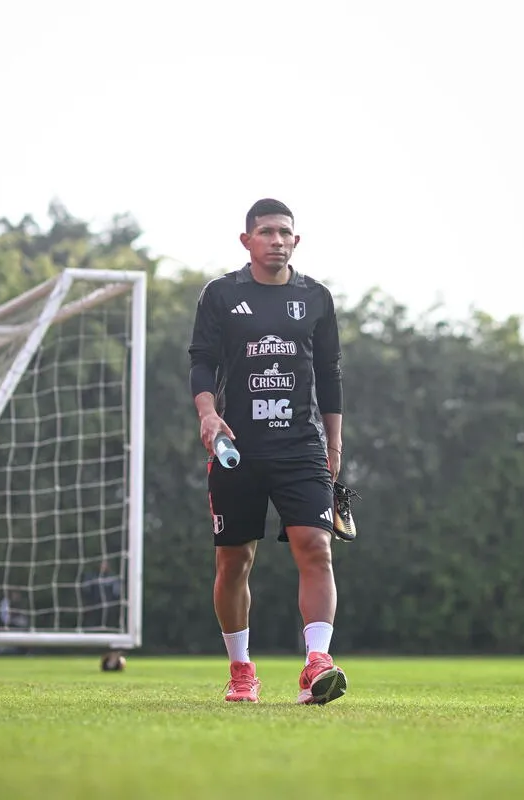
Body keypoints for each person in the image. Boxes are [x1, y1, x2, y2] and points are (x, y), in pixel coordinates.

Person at [188, 198, 347, 705]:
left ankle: (316, 664)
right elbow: (202, 362)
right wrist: (208, 415)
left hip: (301, 446)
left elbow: (330, 374)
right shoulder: (221, 294)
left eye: (285, 233)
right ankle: (241, 670)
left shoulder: (316, 297)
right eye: (267, 232)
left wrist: (335, 442)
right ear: (247, 241)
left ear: (295, 241)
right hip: (238, 447)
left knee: (316, 547)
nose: (277, 240)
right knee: (234, 561)